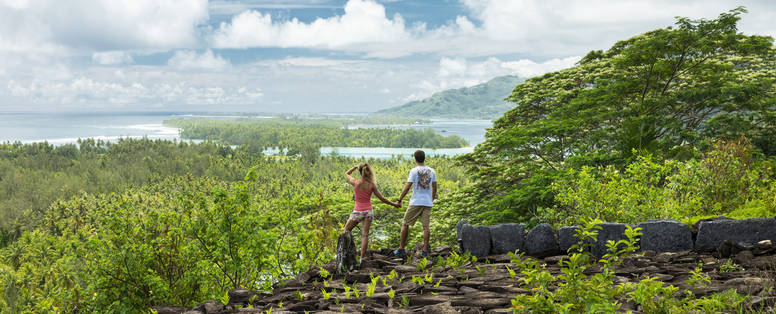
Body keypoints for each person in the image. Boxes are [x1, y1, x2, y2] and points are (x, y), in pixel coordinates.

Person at [344, 163, 400, 265]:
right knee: (365, 235)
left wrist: (354, 167)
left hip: (357, 211)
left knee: (346, 230)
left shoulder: (355, 182)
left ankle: (346, 254)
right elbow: (382, 198)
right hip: (368, 211)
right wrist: (394, 204)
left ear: (360, 172)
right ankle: (361, 259)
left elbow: (346, 173)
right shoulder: (371, 185)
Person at [393, 150, 437, 257]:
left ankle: (401, 248)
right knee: (426, 227)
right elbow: (435, 188)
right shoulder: (432, 171)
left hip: (416, 201)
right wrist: (430, 199)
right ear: (424, 158)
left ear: (415, 159)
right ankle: (425, 251)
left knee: (405, 223)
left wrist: (399, 199)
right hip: (427, 202)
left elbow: (407, 187)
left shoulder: (414, 171)